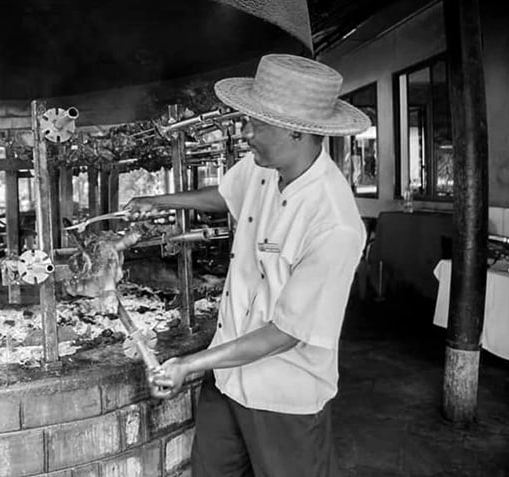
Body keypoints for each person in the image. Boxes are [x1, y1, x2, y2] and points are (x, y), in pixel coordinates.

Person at [125, 53, 371, 477]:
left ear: (297, 131)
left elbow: (284, 334)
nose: (244, 133)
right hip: (225, 382)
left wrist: (188, 363)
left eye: (256, 124)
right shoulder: (262, 166)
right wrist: (156, 201)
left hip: (283, 396)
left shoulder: (334, 225)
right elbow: (225, 195)